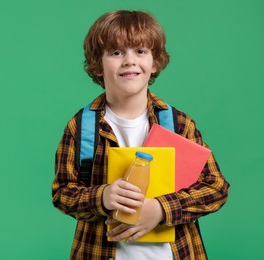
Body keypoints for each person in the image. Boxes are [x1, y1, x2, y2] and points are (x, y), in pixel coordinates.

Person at [52, 10, 229, 259]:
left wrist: (161, 209)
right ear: (97, 64)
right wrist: (101, 197)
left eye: (140, 51)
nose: (129, 61)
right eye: (116, 52)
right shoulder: (81, 127)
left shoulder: (179, 124)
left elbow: (216, 187)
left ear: (154, 62)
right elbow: (63, 193)